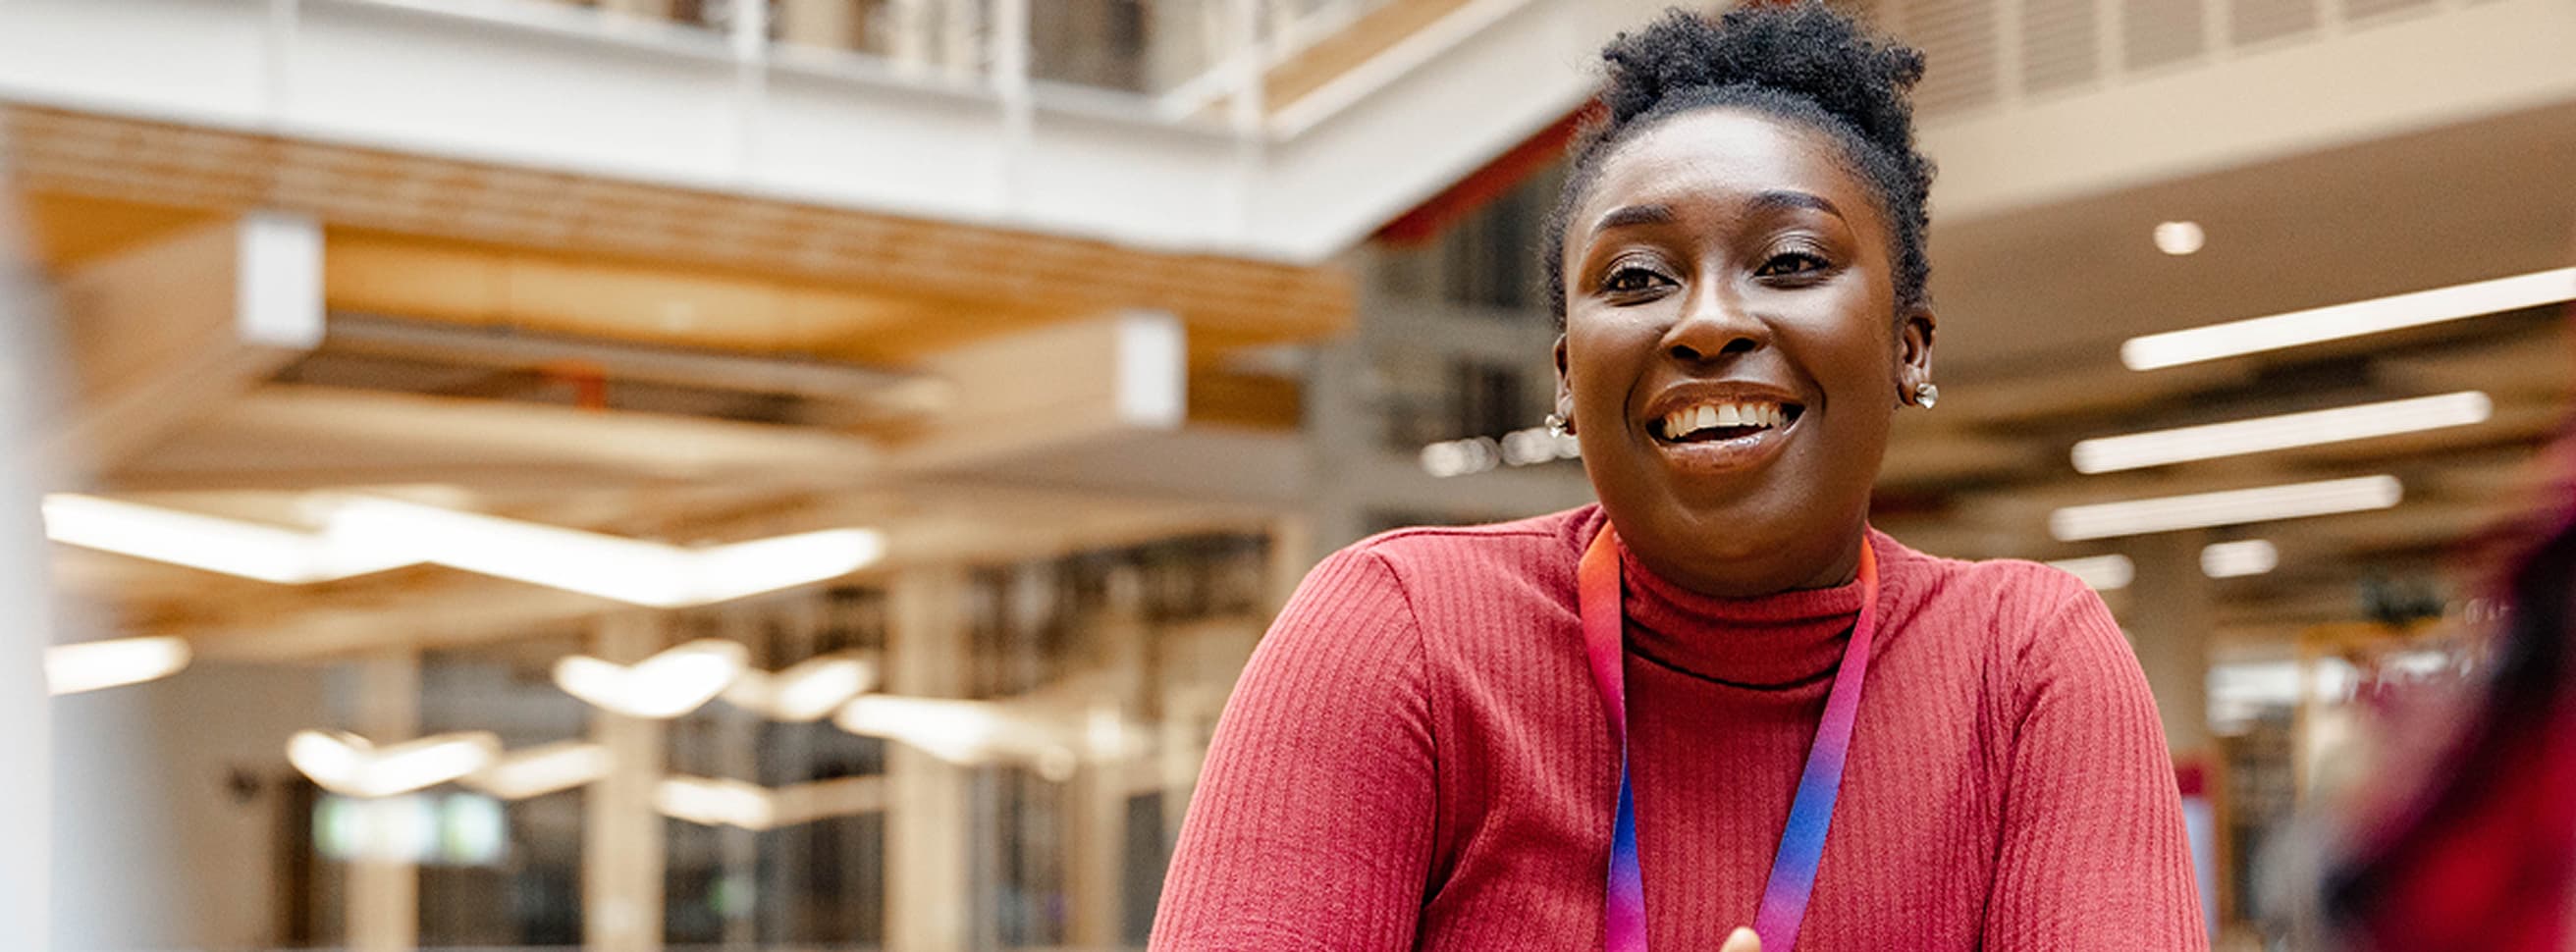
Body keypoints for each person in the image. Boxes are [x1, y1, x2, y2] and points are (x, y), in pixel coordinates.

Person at [1149, 4, 2205, 950]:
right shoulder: (1401, 636)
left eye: (1791, 261)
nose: (1705, 322)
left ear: (1908, 348)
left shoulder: (2025, 669)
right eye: (1636, 278)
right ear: (1567, 373)